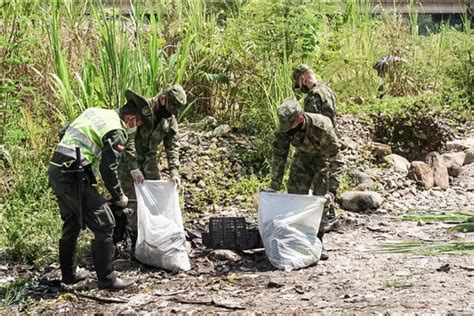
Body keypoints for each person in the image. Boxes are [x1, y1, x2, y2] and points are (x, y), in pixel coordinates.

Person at [48, 98, 144, 290]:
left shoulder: (96, 112)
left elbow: (63, 131)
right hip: (71, 175)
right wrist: (119, 196)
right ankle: (107, 279)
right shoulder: (117, 130)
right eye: (138, 123)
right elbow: (108, 168)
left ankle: (69, 275)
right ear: (131, 118)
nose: (137, 127)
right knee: (105, 222)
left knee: (72, 221)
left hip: (57, 169)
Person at [270, 98, 344, 260]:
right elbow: (279, 156)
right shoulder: (284, 129)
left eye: (291, 125)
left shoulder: (321, 127)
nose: (287, 130)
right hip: (302, 157)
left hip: (322, 159)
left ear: (300, 118)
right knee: (295, 196)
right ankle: (297, 239)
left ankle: (318, 240)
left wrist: (332, 190)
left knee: (320, 200)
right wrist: (274, 186)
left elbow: (336, 160)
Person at [117, 85, 187, 249]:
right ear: (162, 99)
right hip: (127, 163)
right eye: (168, 108)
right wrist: (133, 167)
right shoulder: (137, 108)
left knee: (154, 203)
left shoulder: (168, 119)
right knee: (131, 204)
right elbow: (127, 139)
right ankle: (132, 243)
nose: (169, 114)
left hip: (149, 164)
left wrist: (174, 171)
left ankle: (154, 242)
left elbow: (172, 145)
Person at [292, 64, 338, 230]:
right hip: (328, 143)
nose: (300, 88)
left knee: (315, 185)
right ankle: (330, 216)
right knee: (322, 185)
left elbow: (312, 125)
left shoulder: (312, 96)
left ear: (303, 79)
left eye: (299, 84)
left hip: (316, 147)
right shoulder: (328, 91)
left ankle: (318, 223)